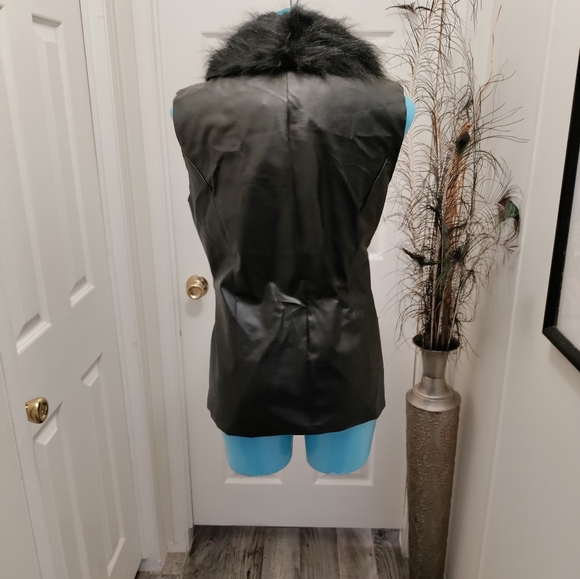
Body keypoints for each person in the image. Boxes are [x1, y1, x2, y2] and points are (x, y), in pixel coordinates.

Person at [172, 5, 414, 476]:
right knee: (338, 464)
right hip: (343, 348)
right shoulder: (387, 104)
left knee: (259, 467)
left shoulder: (191, 108)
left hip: (247, 352)